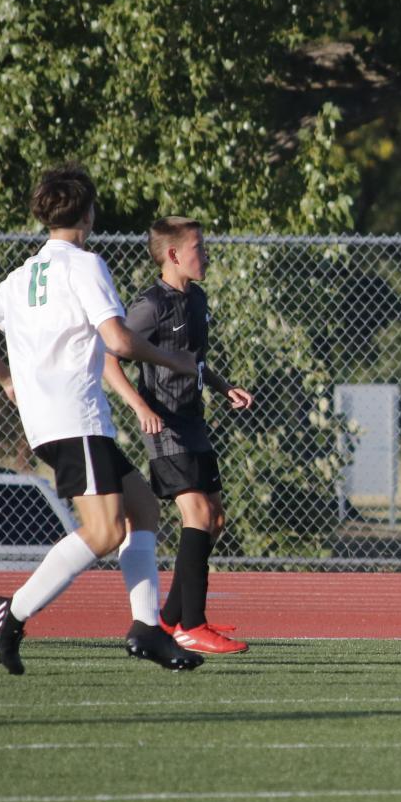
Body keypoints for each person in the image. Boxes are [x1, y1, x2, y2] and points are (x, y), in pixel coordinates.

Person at [0, 164, 206, 675]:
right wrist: (174, 360)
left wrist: (8, 380)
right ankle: (12, 612)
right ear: (88, 213)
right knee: (105, 530)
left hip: (58, 420)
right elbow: (117, 340)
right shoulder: (85, 265)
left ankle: (146, 629)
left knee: (143, 509)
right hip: (76, 417)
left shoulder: (22, 275)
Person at [103, 216, 254, 655]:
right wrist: (141, 407)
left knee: (216, 520)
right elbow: (111, 358)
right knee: (197, 516)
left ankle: (170, 619)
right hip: (165, 426)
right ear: (173, 255)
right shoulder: (150, 305)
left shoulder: (198, 298)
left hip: (194, 422)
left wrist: (225, 387)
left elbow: (196, 362)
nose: (205, 255)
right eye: (198, 248)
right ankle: (193, 623)